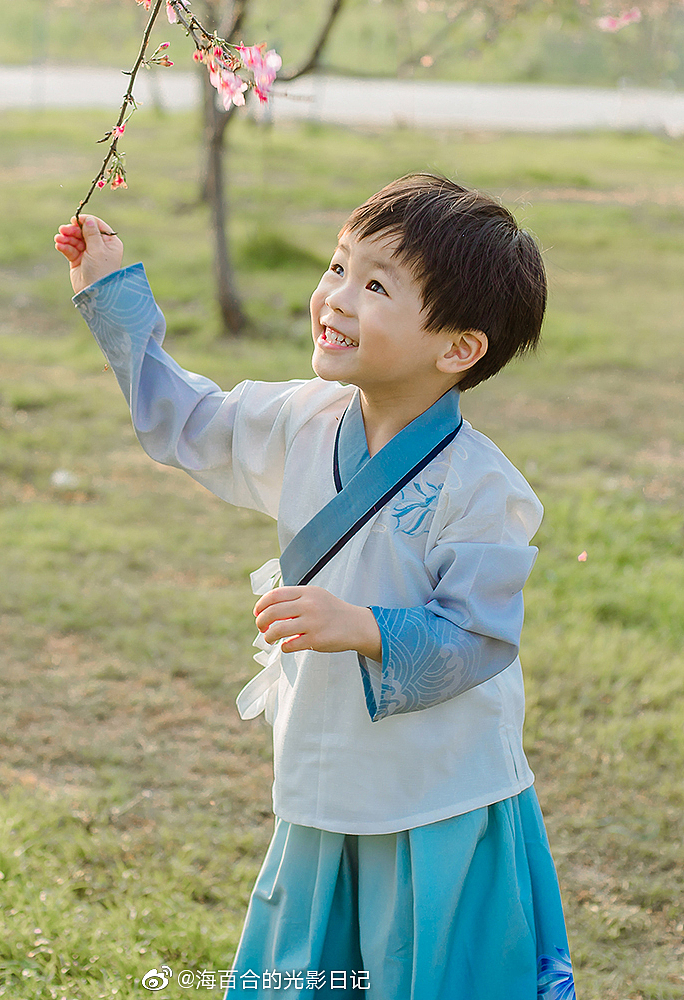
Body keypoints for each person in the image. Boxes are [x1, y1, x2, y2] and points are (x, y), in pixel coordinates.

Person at [54, 173, 575, 1000]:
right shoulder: (303, 418)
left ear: (457, 349)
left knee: (424, 973)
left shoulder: (481, 487)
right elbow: (188, 421)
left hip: (435, 792)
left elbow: (478, 635)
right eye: (337, 267)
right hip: (323, 765)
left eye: (375, 286)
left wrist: (363, 626)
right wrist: (112, 294)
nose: (334, 297)